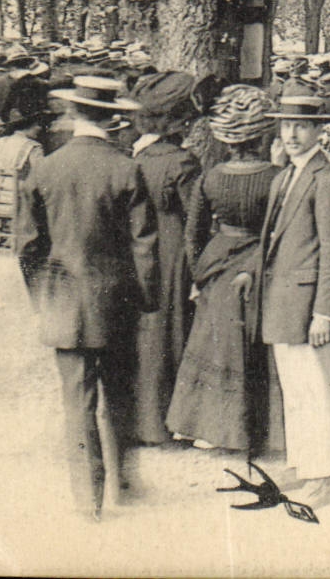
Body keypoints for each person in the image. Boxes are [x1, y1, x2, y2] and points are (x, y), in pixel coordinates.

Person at [14, 75, 159, 521]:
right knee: (119, 395)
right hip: (117, 301)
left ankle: (87, 499)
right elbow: (144, 245)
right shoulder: (126, 168)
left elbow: (27, 248)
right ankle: (124, 486)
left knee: (77, 402)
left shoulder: (45, 169)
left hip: (63, 302)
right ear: (113, 118)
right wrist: (146, 300)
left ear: (73, 112)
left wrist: (43, 299)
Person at [166, 85, 281, 455]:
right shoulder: (278, 177)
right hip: (260, 259)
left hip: (217, 261)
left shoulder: (211, 177)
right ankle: (255, 430)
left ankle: (204, 425)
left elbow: (193, 233)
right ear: (263, 136)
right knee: (255, 345)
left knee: (213, 342)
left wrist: (200, 272)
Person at [255, 92, 330, 509]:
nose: (291, 134)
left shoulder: (327, 180)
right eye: (286, 125)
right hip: (282, 299)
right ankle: (302, 464)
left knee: (313, 392)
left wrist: (325, 312)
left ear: (318, 131)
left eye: (301, 126)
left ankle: (323, 476)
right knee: (294, 391)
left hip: (307, 304)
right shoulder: (284, 177)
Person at [122, 72, 202, 448]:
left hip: (140, 250)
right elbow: (196, 221)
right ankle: (168, 421)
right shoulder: (183, 163)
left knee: (145, 333)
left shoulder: (135, 156)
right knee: (173, 331)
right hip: (173, 255)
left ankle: (141, 421)